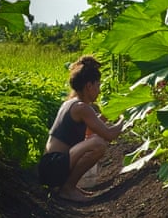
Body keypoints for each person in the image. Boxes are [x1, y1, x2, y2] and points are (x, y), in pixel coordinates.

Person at [38, 55, 124, 202]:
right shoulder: (81, 108)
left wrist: (113, 113)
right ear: (89, 86)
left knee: (95, 140)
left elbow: (95, 125)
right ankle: (68, 189)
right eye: (98, 86)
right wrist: (125, 119)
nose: (99, 90)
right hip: (53, 167)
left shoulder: (72, 103)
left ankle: (69, 186)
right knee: (98, 144)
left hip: (51, 166)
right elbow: (109, 135)